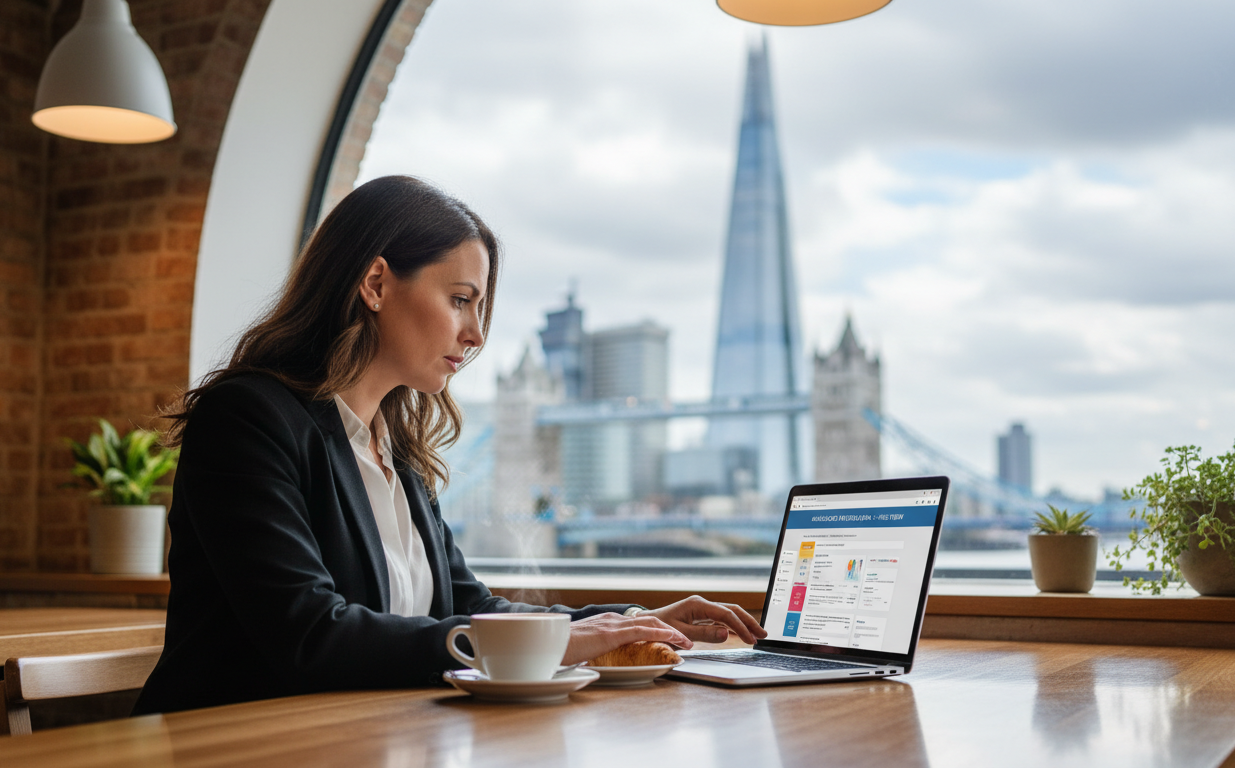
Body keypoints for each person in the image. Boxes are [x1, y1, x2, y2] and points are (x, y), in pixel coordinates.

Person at [133, 176, 765, 714]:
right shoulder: (247, 418)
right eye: (461, 300)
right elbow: (310, 636)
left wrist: (626, 622)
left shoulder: (396, 451)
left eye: (481, 308)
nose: (475, 334)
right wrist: (560, 644)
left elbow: (469, 608)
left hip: (373, 740)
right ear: (376, 283)